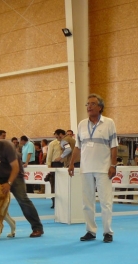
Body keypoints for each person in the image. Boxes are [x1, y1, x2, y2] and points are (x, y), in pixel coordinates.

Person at [0, 129, 44, 238]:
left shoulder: (7, 146)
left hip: (15, 175)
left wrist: (9, 183)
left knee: (23, 199)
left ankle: (37, 228)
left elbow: (15, 167)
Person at [68, 93, 118, 243]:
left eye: (92, 104)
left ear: (100, 107)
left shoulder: (109, 123)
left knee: (105, 202)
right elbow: (77, 147)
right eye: (87, 104)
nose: (89, 106)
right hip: (86, 168)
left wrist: (113, 165)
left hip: (103, 169)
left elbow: (114, 146)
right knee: (87, 202)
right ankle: (90, 231)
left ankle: (107, 232)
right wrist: (71, 164)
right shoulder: (81, 124)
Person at [45, 131, 63, 209]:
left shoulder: (66, 143)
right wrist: (49, 166)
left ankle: (63, 202)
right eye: (56, 136)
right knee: (54, 184)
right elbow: (49, 155)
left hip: (64, 164)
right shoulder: (52, 143)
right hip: (55, 164)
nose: (57, 137)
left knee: (63, 184)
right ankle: (54, 202)